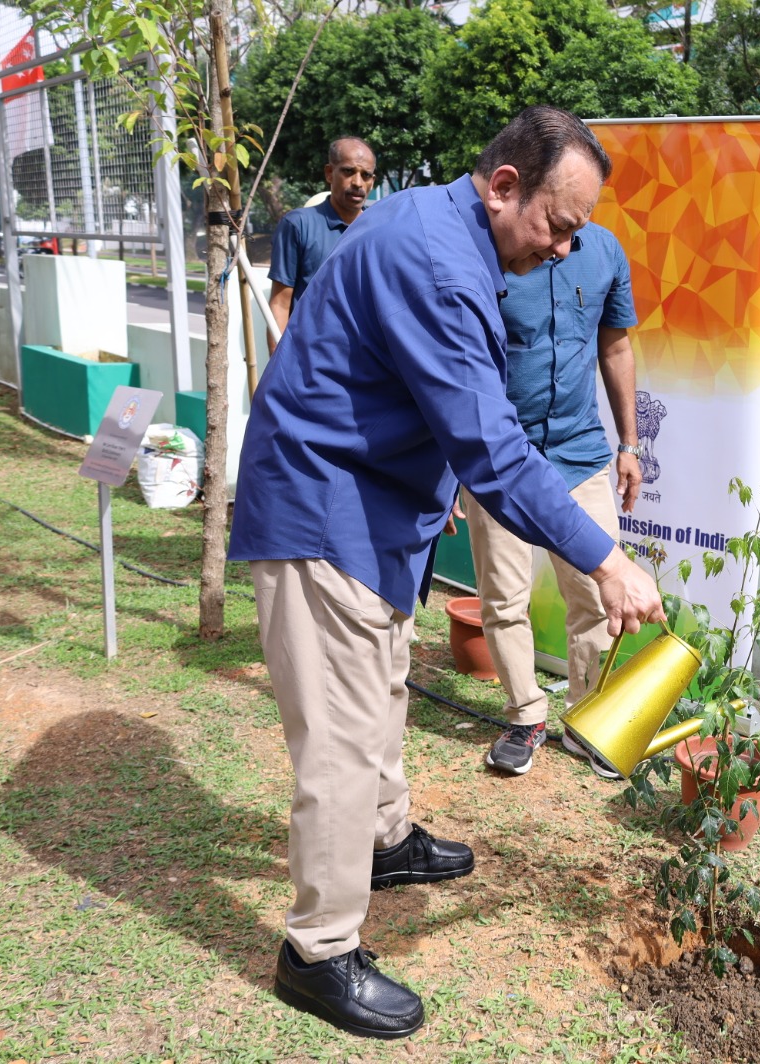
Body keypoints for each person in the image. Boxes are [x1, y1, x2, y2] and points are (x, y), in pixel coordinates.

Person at [230, 105, 662, 1039]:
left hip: (374, 511)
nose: (561, 250)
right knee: (341, 743)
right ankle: (318, 951)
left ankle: (383, 843)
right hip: (323, 510)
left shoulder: (441, 222)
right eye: (558, 224)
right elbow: (493, 453)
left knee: (381, 689)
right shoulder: (439, 263)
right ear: (505, 185)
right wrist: (606, 560)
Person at [470, 222, 641, 779]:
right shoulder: (494, 253)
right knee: (503, 600)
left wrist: (630, 444)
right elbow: (460, 363)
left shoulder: (606, 251)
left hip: (580, 452)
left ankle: (586, 717)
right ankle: (525, 716)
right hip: (500, 456)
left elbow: (615, 346)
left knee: (598, 591)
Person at [266, 136, 377, 350]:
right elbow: (280, 304)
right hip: (312, 364)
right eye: (348, 171)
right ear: (329, 173)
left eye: (366, 175)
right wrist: (278, 372)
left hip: (365, 367)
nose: (357, 182)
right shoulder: (298, 225)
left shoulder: (379, 230)